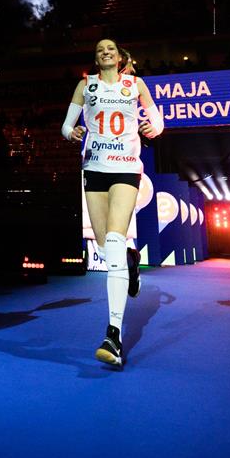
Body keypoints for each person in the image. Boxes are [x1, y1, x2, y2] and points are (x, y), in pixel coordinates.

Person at [62, 38, 163, 367]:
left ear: (119, 57)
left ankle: (113, 335)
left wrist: (152, 128)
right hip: (94, 168)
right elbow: (66, 125)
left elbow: (158, 123)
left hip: (126, 167)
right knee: (107, 250)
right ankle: (131, 261)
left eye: (110, 49)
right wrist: (72, 133)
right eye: (99, 50)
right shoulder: (85, 86)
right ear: (96, 59)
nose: (105, 52)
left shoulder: (135, 84)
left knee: (116, 240)